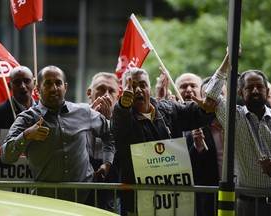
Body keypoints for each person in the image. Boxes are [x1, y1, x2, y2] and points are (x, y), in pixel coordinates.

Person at [0, 65, 115, 205]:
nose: (54, 88)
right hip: (46, 202)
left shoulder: (83, 111)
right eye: (48, 83)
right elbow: (6, 156)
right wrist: (26, 135)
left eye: (58, 83)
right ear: (37, 89)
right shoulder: (26, 118)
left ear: (65, 87)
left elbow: (109, 132)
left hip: (86, 198)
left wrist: (107, 162)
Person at [111, 67, 216, 216]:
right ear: (125, 91)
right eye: (133, 87)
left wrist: (205, 110)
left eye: (142, 85)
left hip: (175, 202)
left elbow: (195, 114)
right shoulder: (122, 118)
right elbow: (120, 122)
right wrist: (122, 107)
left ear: (150, 89)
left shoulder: (169, 110)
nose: (139, 90)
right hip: (139, 203)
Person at [205, 53, 271, 216]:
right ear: (240, 93)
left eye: (260, 86)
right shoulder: (233, 117)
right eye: (249, 87)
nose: (255, 90)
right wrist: (227, 60)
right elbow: (212, 94)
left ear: (267, 90)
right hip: (246, 204)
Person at [186, 76, 226, 216]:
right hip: (210, 200)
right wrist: (198, 147)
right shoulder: (195, 131)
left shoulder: (239, 126)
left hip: (239, 194)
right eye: (208, 97)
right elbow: (190, 171)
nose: (215, 100)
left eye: (220, 94)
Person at [86, 72, 121, 213]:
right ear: (90, 92)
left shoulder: (123, 121)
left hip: (111, 193)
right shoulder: (78, 115)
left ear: (118, 95)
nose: (106, 95)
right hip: (82, 191)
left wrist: (108, 123)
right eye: (101, 89)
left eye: (111, 91)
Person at [0, 65, 36, 145]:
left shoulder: (46, 109)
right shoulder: (0, 112)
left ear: (34, 83)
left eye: (27, 81)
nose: (22, 86)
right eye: (17, 82)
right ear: (9, 86)